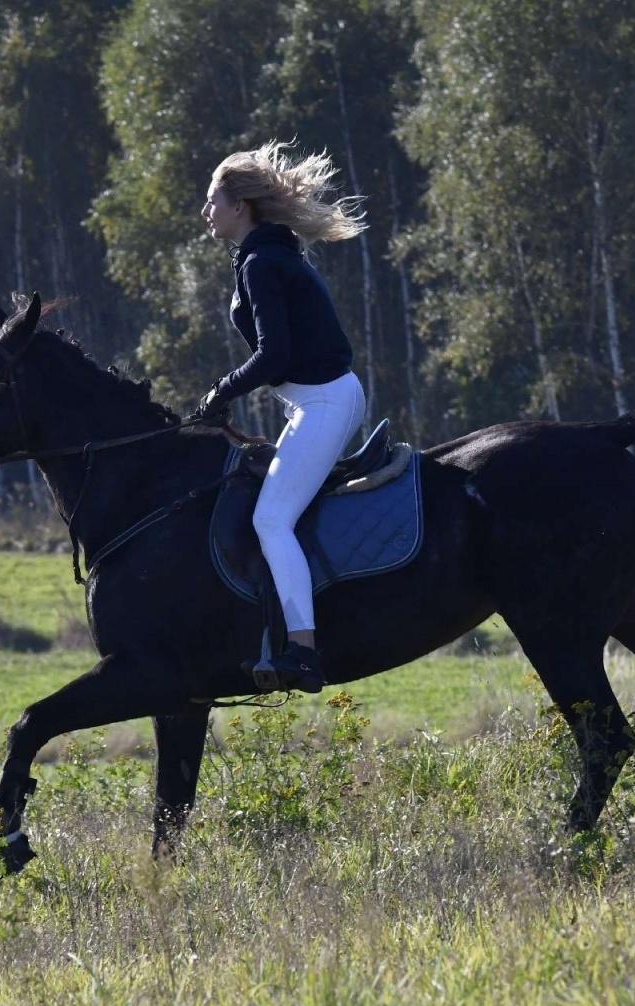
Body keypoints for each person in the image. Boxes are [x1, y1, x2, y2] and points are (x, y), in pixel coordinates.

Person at [191, 141, 368, 693]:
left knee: (270, 520)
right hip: (317, 401)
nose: (206, 211)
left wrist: (220, 392)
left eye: (212, 199)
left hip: (325, 402)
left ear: (240, 205)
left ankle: (303, 652)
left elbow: (275, 357)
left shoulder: (264, 262)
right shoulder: (266, 256)